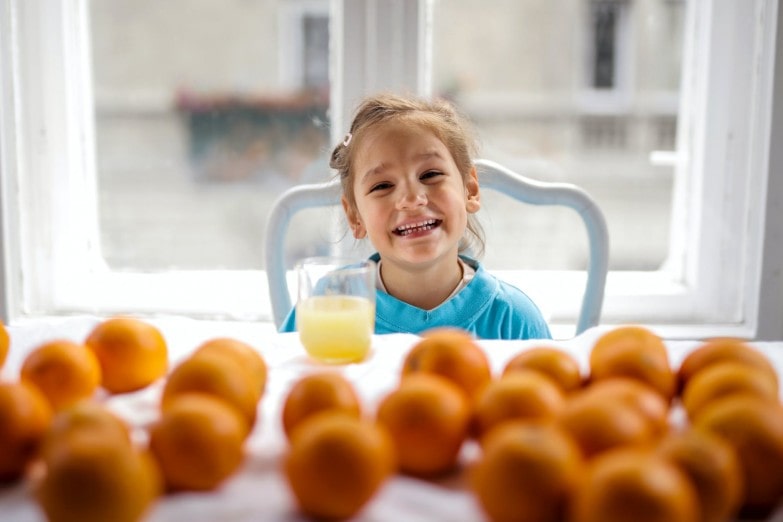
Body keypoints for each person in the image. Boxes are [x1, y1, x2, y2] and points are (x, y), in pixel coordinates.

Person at [280, 92, 551, 340]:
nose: (411, 199)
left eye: (430, 175)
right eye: (382, 186)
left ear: (470, 189)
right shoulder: (328, 305)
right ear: (355, 217)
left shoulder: (514, 320)